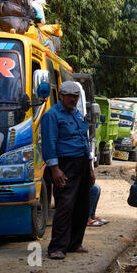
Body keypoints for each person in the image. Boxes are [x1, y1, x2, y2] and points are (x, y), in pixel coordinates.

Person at [41, 81, 95, 260]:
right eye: (70, 96)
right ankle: (57, 247)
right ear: (62, 96)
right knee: (65, 205)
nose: (74, 99)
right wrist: (55, 169)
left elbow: (84, 142)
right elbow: (48, 143)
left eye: (76, 96)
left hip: (82, 164)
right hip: (65, 165)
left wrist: (90, 168)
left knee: (82, 205)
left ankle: (74, 243)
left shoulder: (78, 115)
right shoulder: (52, 116)